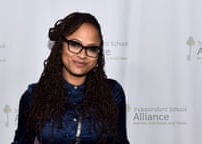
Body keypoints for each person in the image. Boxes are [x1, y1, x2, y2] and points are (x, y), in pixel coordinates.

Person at [12, 12, 130, 144]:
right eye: (75, 44)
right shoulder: (33, 96)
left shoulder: (113, 93)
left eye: (91, 48)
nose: (82, 55)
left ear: (98, 55)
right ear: (60, 46)